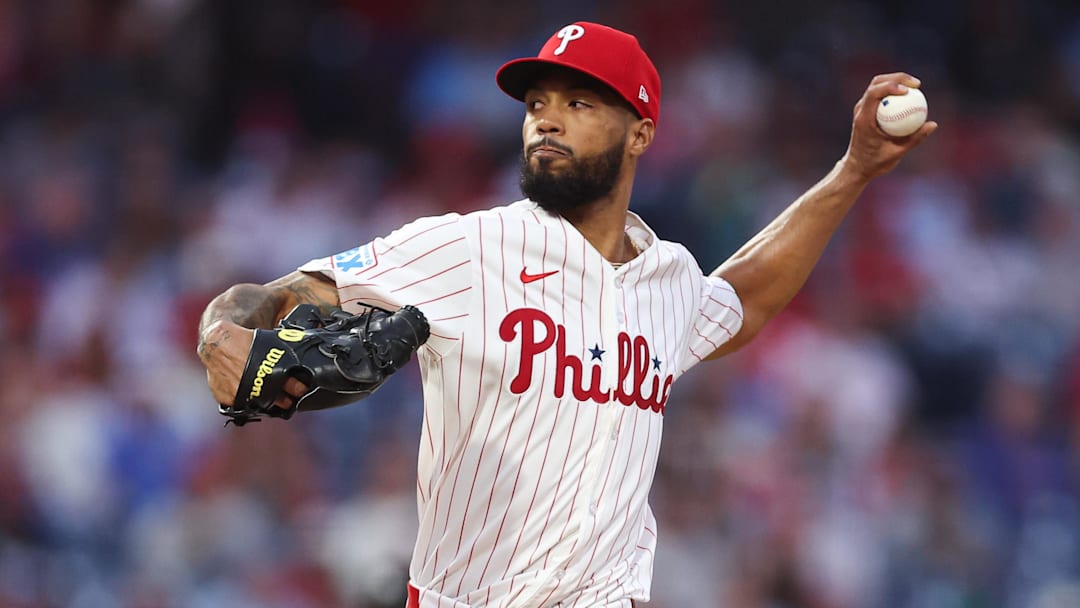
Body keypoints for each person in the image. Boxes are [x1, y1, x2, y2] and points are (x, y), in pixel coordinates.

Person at [197, 21, 936, 608]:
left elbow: (743, 299)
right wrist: (221, 333)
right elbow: (286, 292)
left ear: (641, 132)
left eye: (578, 104)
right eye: (537, 104)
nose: (547, 122)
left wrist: (854, 170)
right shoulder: (469, 247)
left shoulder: (668, 276)